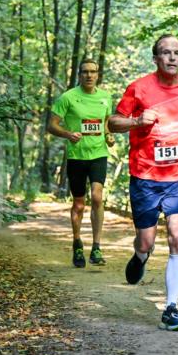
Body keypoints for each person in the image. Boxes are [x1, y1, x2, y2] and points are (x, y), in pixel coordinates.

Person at [108, 34, 178, 331]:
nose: (172, 58)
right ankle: (141, 255)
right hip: (145, 178)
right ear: (156, 58)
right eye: (165, 53)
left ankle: (171, 308)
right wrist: (137, 121)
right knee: (147, 240)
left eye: (177, 53)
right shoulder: (139, 88)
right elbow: (113, 123)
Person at [47, 59, 114, 268]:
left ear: (98, 74)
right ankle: (77, 243)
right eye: (85, 72)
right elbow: (51, 125)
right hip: (76, 156)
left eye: (93, 72)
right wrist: (68, 134)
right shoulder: (68, 98)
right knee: (79, 203)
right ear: (79, 74)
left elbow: (106, 123)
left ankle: (96, 246)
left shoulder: (105, 97)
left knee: (97, 196)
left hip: (98, 154)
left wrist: (109, 135)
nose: (89, 75)